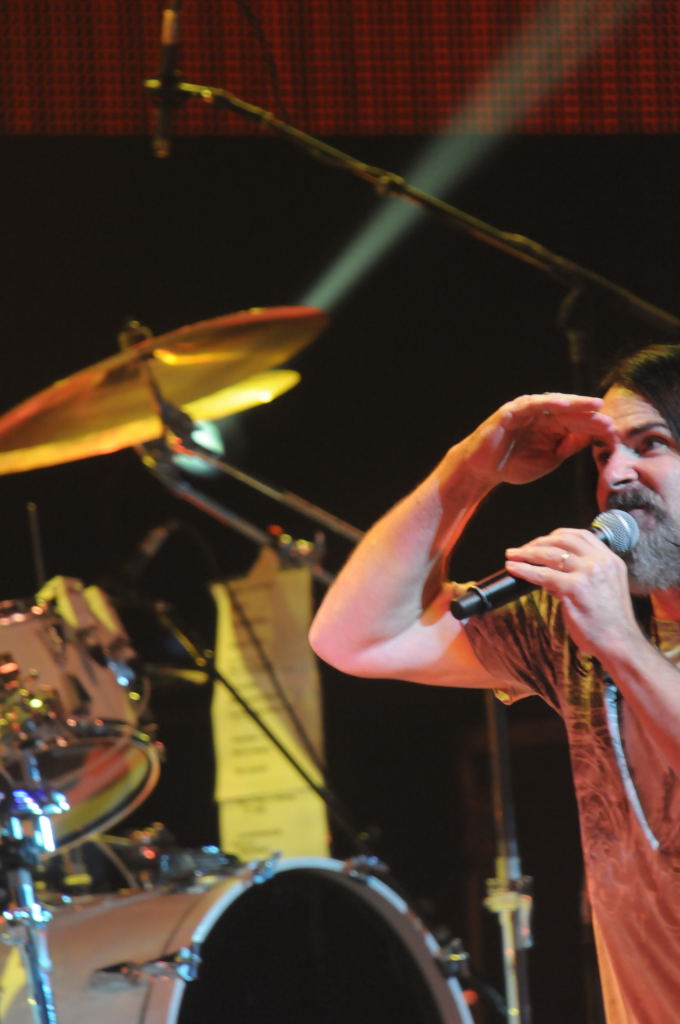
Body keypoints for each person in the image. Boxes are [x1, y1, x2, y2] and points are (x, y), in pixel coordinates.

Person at [309, 343, 680, 1024]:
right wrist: (468, 472)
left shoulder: (606, 632)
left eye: (650, 444)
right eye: (603, 454)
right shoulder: (577, 626)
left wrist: (620, 643)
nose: (616, 474)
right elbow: (356, 638)